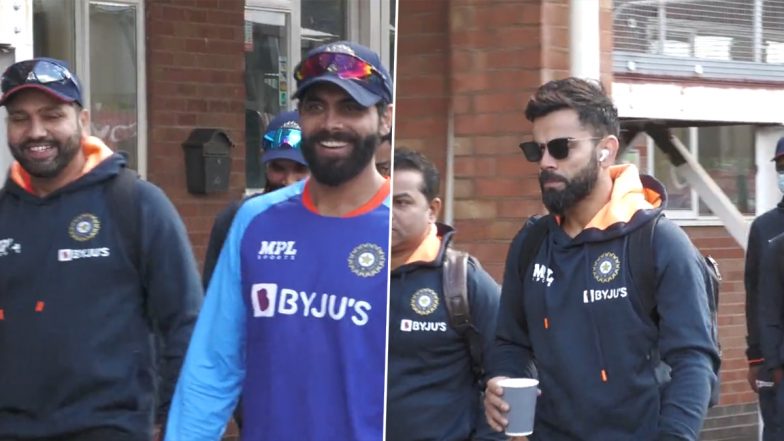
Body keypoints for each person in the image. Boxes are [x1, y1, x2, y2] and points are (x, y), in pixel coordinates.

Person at [165, 41, 393, 440]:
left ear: (385, 119)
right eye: (315, 106)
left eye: (351, 108)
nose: (330, 123)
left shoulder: (402, 227)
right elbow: (214, 364)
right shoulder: (254, 221)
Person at [484, 77, 719, 441]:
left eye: (560, 148)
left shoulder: (659, 242)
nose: (545, 162)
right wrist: (501, 378)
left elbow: (694, 362)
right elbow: (510, 342)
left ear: (605, 149)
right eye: (536, 150)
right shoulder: (531, 242)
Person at [0, 57, 202, 441]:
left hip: (113, 429)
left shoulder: (136, 203)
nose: (35, 131)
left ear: (82, 120)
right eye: (19, 118)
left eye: (51, 115)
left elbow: (185, 323)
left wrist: (172, 421)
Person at [386, 148, 502, 441]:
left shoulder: (462, 279)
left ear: (432, 210)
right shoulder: (348, 273)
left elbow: (508, 372)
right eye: (381, 202)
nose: (388, 212)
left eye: (401, 202)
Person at [202, 110, 309, 287]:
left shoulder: (336, 222)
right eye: (278, 168)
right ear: (266, 168)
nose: (288, 181)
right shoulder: (238, 218)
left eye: (301, 169)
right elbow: (214, 295)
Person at [749, 136, 784, 440]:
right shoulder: (765, 229)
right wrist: (757, 359)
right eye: (783, 166)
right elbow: (756, 298)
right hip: (774, 363)